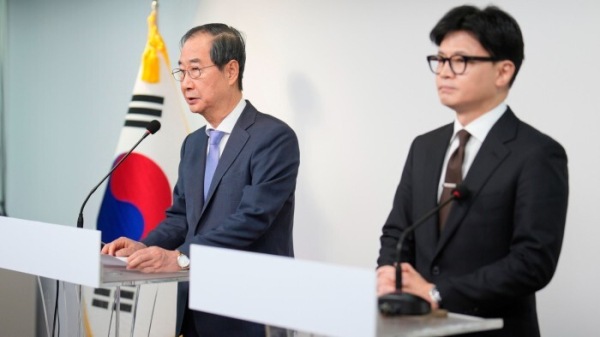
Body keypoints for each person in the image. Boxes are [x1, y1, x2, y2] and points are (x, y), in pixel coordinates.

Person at [377, 5, 568, 336]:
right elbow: (398, 231)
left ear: (503, 71)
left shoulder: (537, 153)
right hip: (416, 327)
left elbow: (532, 262)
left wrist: (437, 294)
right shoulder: (424, 147)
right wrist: (390, 276)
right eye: (440, 60)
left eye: (460, 61)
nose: (444, 72)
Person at [102, 23, 300, 337]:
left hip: (250, 310)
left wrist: (181, 257)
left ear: (231, 70)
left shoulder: (273, 138)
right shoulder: (193, 144)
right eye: (181, 72)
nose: (185, 84)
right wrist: (143, 247)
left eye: (195, 70)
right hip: (195, 310)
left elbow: (251, 219)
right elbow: (181, 218)